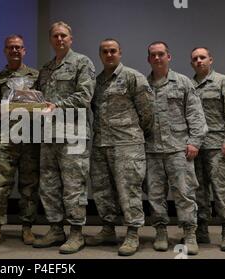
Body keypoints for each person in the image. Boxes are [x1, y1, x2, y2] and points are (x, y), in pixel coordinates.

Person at [32, 21, 96, 254]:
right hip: (49, 135)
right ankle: (56, 229)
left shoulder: (82, 62)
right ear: (51, 40)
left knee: (73, 185)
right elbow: (39, 100)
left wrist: (56, 105)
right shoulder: (47, 68)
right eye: (56, 36)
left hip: (73, 134)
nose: (59, 39)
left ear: (71, 39)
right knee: (49, 185)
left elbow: (85, 96)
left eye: (64, 36)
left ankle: (76, 233)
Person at [86, 38, 154, 256]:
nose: (109, 55)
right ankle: (108, 229)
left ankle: (133, 232)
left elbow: (147, 112)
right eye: (105, 51)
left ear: (120, 53)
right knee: (102, 190)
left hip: (127, 144)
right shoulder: (97, 82)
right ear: (100, 55)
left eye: (113, 51)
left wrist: (133, 134)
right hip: (101, 143)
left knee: (128, 190)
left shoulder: (133, 77)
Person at [144, 41, 207, 255]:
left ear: (169, 57)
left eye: (161, 54)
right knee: (155, 195)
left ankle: (190, 233)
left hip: (179, 149)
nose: (158, 58)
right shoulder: (143, 85)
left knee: (185, 193)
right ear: (149, 59)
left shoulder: (183, 83)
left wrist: (194, 142)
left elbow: (196, 115)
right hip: (151, 150)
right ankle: (160, 231)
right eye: (153, 55)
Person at [0, 35, 40, 248]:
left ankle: (27, 227)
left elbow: (43, 103)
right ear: (5, 51)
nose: (15, 51)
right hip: (5, 138)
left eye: (18, 47)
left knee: (29, 185)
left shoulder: (36, 76)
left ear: (24, 50)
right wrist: (0, 108)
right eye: (11, 48)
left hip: (30, 136)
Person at [190, 47, 225, 252]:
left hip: (218, 146)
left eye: (202, 57)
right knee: (198, 190)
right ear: (192, 63)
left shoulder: (222, 82)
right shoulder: (189, 85)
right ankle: (202, 229)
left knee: (222, 190)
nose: (199, 61)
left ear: (211, 60)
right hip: (196, 147)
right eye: (195, 58)